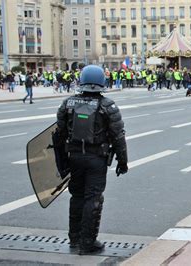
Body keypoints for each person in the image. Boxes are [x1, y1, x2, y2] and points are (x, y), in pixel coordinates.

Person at [56, 65, 128, 255]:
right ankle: (88, 241)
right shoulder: (108, 106)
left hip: (74, 158)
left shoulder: (67, 104)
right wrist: (123, 161)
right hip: (96, 158)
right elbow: (118, 136)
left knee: (77, 196)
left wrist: (61, 161)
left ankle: (74, 238)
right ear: (102, 83)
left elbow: (59, 134)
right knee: (93, 198)